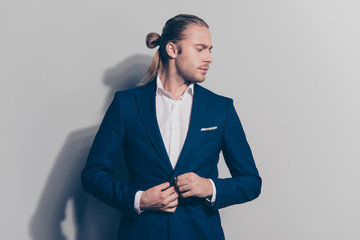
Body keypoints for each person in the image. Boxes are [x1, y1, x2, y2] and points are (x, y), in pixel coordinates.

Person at [81, 14, 262, 240]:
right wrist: (139, 199)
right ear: (172, 49)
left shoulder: (220, 108)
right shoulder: (126, 104)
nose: (209, 58)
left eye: (210, 50)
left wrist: (209, 187)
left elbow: (251, 182)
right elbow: (93, 174)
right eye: (200, 49)